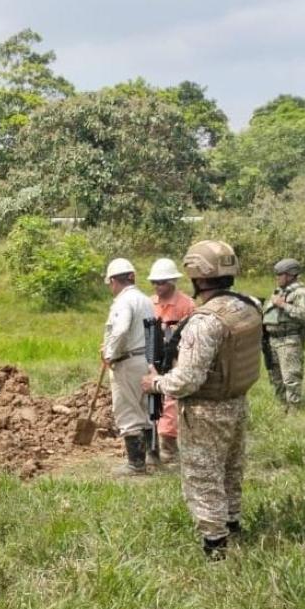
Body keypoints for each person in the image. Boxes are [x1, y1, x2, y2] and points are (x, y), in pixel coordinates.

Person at [141, 240, 263, 561]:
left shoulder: (204, 321)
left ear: (197, 276)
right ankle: (234, 528)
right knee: (230, 470)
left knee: (203, 478)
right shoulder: (249, 305)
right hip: (237, 401)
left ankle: (216, 549)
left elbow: (186, 381)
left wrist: (154, 382)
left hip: (205, 410)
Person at [101, 258, 156, 477]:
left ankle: (135, 464)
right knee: (145, 410)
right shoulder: (145, 300)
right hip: (145, 359)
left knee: (127, 411)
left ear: (114, 280)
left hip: (127, 361)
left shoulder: (123, 302)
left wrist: (109, 353)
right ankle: (151, 457)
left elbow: (121, 330)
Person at [147, 257, 196, 464]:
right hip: (153, 357)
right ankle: (152, 447)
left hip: (176, 357)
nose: (158, 287)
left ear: (173, 282)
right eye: (155, 283)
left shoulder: (186, 305)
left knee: (170, 401)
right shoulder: (149, 304)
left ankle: (168, 446)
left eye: (162, 282)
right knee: (151, 401)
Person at [264, 258, 305, 411]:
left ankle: (294, 409)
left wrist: (283, 305)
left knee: (290, 377)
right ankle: (281, 406)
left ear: (291, 275)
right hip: (272, 340)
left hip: (289, 340)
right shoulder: (279, 291)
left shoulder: (301, 293)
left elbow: (304, 314)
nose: (277, 277)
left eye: (280, 274)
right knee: (276, 377)